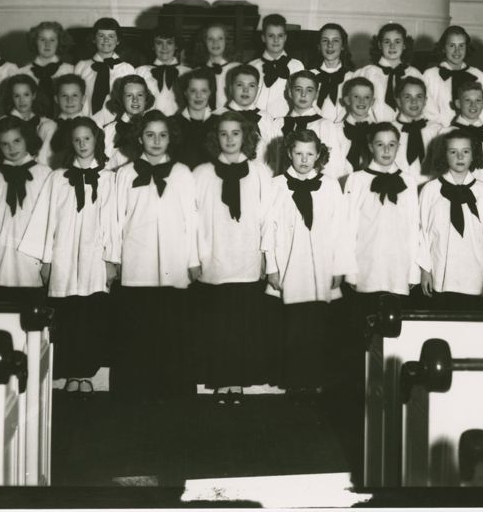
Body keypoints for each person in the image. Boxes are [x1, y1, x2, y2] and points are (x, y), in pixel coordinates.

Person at [20, 117, 118, 393]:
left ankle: (86, 374)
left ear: (97, 140)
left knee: (91, 316)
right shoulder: (57, 178)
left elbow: (113, 221)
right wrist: (46, 260)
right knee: (68, 315)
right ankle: (71, 373)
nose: (82, 144)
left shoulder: (109, 179)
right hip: (63, 256)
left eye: (87, 138)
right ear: (70, 143)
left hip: (94, 258)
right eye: (77, 139)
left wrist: (112, 260)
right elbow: (46, 219)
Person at [112, 111, 200, 399]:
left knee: (173, 328)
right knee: (138, 329)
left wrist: (193, 260)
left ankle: (174, 390)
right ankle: (136, 390)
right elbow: (115, 220)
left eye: (162, 135)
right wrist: (114, 259)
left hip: (174, 263)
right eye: (150, 134)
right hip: (137, 261)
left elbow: (192, 218)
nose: (156, 140)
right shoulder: (125, 174)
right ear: (139, 138)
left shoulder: (183, 172)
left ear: (170, 138)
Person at [264, 129, 355, 395]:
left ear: (319, 155)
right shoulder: (276, 185)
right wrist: (271, 266)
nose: (304, 160)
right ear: (289, 154)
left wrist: (339, 267)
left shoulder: (329, 185)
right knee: (292, 327)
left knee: (318, 325)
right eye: (298, 153)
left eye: (310, 154)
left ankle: (315, 383)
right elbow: (268, 228)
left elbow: (340, 228)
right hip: (290, 262)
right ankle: (293, 383)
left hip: (321, 265)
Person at [192, 111, 275, 402]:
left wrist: (267, 256)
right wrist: (195, 257)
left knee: (242, 326)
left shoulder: (260, 171)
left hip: (247, 258)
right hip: (213, 258)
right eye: (224, 134)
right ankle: (220, 382)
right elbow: (192, 219)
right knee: (218, 326)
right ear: (216, 138)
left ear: (246, 136)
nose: (229, 139)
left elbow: (268, 218)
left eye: (235, 133)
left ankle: (237, 382)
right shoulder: (201, 173)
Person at [417, 130, 483, 310]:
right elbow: (422, 233)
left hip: (474, 273)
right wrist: (425, 271)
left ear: (473, 155)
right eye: (453, 152)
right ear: (444, 155)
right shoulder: (430, 190)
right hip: (441, 273)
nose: (460, 156)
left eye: (466, 151)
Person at [345, 123, 421, 302]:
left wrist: (413, 273)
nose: (386, 150)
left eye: (392, 144)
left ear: (398, 147)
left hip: (398, 266)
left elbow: (413, 227)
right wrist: (350, 272)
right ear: (371, 147)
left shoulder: (408, 181)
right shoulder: (356, 180)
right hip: (366, 266)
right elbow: (348, 228)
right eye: (380, 144)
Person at [0, 116, 48, 303]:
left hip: (33, 262)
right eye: (4, 144)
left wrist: (48, 261)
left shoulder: (45, 174)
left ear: (27, 139)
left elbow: (52, 224)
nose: (12, 148)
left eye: (17, 141)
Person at [354, 23, 423, 123]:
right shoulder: (367, 73)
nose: (392, 46)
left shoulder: (414, 73)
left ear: (404, 45)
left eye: (397, 42)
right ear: (379, 45)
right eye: (387, 42)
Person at [267, 71, 332, 175]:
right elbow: (272, 161)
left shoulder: (325, 125)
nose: (303, 94)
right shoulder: (277, 124)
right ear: (289, 93)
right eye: (298, 89)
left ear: (316, 94)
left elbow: (330, 165)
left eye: (309, 90)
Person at [217, 64, 280, 168]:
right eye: (240, 85)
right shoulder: (217, 116)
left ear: (257, 89)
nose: (245, 90)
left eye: (251, 85)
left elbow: (276, 157)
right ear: (230, 88)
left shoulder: (266, 118)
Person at [422, 25, 483, 126]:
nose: (457, 51)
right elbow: (429, 112)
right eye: (452, 46)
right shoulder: (430, 75)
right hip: (441, 133)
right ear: (443, 48)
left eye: (461, 46)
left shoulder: (477, 74)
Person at [433, 79, 483, 185]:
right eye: (467, 100)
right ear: (458, 103)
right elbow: (439, 167)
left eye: (478, 100)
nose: (473, 105)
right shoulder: (445, 133)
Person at [73, 17, 135, 116]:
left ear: (118, 40)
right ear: (94, 39)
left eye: (111, 36)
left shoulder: (127, 69)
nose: (106, 40)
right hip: (86, 123)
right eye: (101, 35)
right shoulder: (81, 67)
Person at [318, 76, 376, 181]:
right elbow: (330, 167)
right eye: (356, 96)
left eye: (367, 97)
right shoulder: (334, 131)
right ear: (347, 100)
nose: (361, 101)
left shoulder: (379, 131)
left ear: (372, 101)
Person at [249, 13, 303, 120]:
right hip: (256, 123)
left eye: (280, 36)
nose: (276, 40)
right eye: (271, 36)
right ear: (263, 38)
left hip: (286, 123)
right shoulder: (252, 66)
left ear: (285, 37)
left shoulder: (297, 66)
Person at [95, 74, 154, 171]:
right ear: (121, 99)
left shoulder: (155, 128)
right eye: (129, 95)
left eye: (140, 95)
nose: (135, 100)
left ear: (146, 99)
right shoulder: (108, 131)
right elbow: (98, 165)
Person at [393, 77, 444, 187]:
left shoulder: (438, 131)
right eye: (407, 97)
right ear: (398, 101)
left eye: (419, 96)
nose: (414, 101)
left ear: (425, 101)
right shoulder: (389, 131)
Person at [18, 21, 75, 117]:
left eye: (52, 40)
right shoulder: (22, 72)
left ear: (59, 42)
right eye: (42, 39)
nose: (47, 44)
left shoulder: (71, 71)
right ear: (35, 41)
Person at [136, 28, 191, 117]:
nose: (164, 47)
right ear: (153, 46)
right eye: (159, 43)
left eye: (169, 42)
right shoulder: (140, 71)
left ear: (176, 45)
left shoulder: (188, 73)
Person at [308, 23, 354, 122]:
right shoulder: (308, 77)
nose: (330, 45)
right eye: (325, 40)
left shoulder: (353, 78)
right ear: (319, 46)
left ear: (343, 46)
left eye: (335, 40)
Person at [44, 73, 90, 169]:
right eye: (64, 95)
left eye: (75, 95)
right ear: (56, 99)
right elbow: (42, 160)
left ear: (83, 99)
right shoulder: (47, 127)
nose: (70, 100)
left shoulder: (92, 127)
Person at [190, 22, 239, 109]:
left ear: (226, 41)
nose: (215, 42)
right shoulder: (196, 72)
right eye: (210, 39)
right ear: (204, 42)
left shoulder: (237, 69)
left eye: (220, 38)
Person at [176, 68, 217, 170]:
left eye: (204, 90)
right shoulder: (172, 123)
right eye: (193, 90)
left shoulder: (220, 123)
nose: (198, 96)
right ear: (185, 93)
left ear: (210, 93)